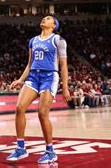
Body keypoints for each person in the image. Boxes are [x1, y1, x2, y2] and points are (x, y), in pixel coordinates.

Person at [7, 16, 71, 163]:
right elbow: (30, 64)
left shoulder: (58, 40)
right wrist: (20, 80)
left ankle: (50, 151)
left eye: (48, 18)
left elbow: (63, 65)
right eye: (43, 18)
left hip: (49, 77)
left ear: (54, 25)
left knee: (42, 113)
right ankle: (20, 148)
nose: (43, 19)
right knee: (19, 108)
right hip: (33, 77)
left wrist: (65, 87)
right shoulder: (33, 40)